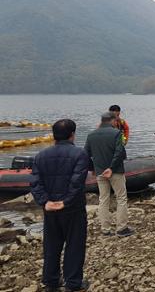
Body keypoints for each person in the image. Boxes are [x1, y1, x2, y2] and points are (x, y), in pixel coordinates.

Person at [31, 119, 91, 292]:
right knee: (74, 245)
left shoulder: (40, 156)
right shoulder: (80, 154)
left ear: (53, 135)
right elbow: (76, 183)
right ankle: (72, 283)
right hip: (73, 208)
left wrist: (45, 202)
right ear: (72, 134)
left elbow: (35, 182)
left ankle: (51, 281)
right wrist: (65, 202)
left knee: (51, 245)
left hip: (50, 209)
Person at [85, 112, 133, 237]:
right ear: (112, 121)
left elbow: (85, 155)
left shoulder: (91, 135)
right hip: (115, 171)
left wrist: (93, 168)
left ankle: (105, 229)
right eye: (116, 121)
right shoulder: (116, 133)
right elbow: (120, 153)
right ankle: (121, 228)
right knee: (121, 198)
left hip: (100, 171)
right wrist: (111, 168)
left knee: (103, 199)